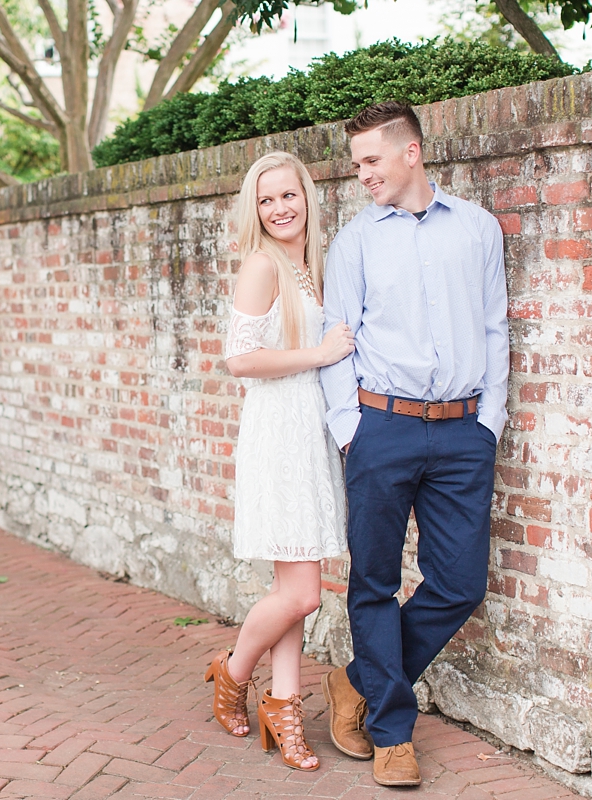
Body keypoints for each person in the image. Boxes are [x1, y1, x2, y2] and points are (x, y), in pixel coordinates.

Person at [319, 101, 508, 787]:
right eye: (356, 163)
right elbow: (336, 340)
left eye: (371, 160)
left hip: (463, 430)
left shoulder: (478, 230)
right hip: (382, 427)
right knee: (373, 580)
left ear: (412, 152)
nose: (362, 173)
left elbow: (494, 328)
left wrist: (490, 420)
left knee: (459, 583)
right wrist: (351, 430)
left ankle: (357, 680)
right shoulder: (355, 242)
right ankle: (392, 731)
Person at [205, 151, 355, 772]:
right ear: (255, 210)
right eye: (266, 200)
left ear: (307, 197)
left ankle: (285, 707)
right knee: (304, 594)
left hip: (310, 432)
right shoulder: (264, 266)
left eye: (287, 196)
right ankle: (233, 672)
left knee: (293, 588)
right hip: (279, 433)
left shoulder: (310, 265)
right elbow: (239, 361)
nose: (279, 208)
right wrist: (318, 355)